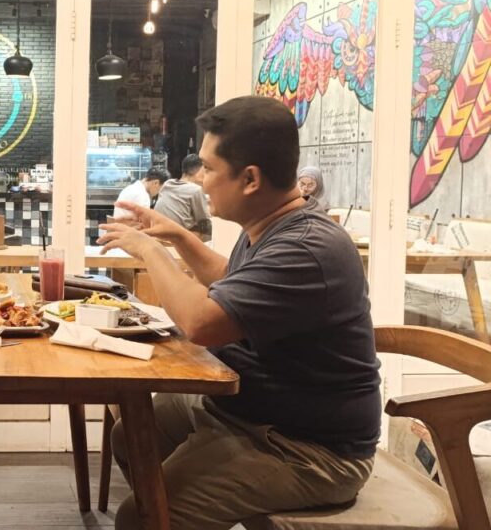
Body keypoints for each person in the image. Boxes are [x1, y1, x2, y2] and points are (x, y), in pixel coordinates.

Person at [98, 95, 380, 530]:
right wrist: (179, 237)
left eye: (209, 169)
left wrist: (150, 250)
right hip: (248, 411)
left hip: (308, 448)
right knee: (132, 435)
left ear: (250, 179)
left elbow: (202, 323)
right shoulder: (273, 226)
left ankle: (164, 514)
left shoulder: (306, 247)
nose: (201, 182)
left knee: (140, 517)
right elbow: (234, 281)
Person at [154, 153, 212, 239]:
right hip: (179, 239)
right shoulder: (195, 190)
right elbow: (204, 221)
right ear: (200, 170)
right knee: (207, 228)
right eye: (206, 169)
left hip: (159, 236)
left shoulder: (167, 184)